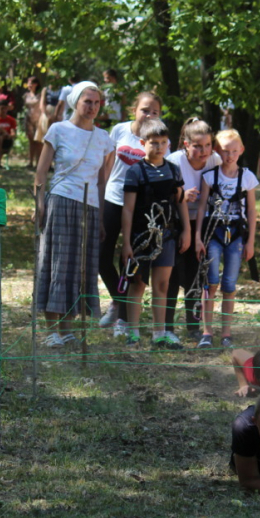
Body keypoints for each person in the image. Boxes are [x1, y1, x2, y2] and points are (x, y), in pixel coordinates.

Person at [34, 81, 115, 348]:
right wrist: (39, 204)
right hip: (61, 201)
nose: (92, 107)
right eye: (87, 102)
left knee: (80, 269)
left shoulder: (103, 138)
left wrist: (102, 216)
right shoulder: (58, 130)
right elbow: (42, 171)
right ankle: (51, 330)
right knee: (57, 265)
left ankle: (67, 327)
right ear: (76, 102)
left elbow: (102, 181)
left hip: (89, 208)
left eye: (96, 102)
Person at [99, 91, 166, 339]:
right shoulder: (119, 130)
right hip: (112, 199)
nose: (149, 115)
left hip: (140, 209)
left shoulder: (158, 136)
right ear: (134, 110)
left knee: (129, 263)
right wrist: (100, 194)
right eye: (145, 109)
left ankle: (124, 320)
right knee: (101, 255)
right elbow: (106, 166)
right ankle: (119, 301)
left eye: (154, 111)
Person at [121, 118, 190, 349]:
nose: (158, 147)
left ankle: (159, 332)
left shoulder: (173, 169)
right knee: (138, 283)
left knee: (162, 284)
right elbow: (128, 209)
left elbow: (180, 201)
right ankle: (133, 331)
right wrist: (127, 243)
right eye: (153, 142)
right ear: (143, 143)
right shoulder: (135, 172)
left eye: (162, 142)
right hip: (141, 238)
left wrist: (186, 230)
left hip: (167, 235)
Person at [195, 128, 257, 349]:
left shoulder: (248, 177)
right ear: (218, 151)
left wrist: (250, 242)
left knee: (229, 284)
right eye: (225, 151)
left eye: (233, 151)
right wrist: (197, 237)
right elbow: (202, 207)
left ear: (241, 150)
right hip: (213, 233)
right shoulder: (210, 177)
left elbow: (251, 211)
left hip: (237, 235)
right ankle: (207, 331)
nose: (229, 155)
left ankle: (226, 333)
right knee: (210, 283)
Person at [165, 118, 222, 344]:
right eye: (197, 146)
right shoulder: (173, 161)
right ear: (186, 145)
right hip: (174, 222)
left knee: (197, 277)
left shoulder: (214, 160)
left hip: (202, 224)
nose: (203, 151)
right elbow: (159, 193)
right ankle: (166, 326)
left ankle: (194, 325)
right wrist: (180, 195)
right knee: (170, 276)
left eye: (207, 145)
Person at [23, 76, 43, 169]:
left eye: (31, 83)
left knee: (38, 142)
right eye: (28, 83)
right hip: (29, 120)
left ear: (36, 84)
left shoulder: (40, 95)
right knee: (31, 141)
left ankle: (38, 162)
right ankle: (30, 162)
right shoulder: (26, 95)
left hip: (38, 120)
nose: (29, 85)